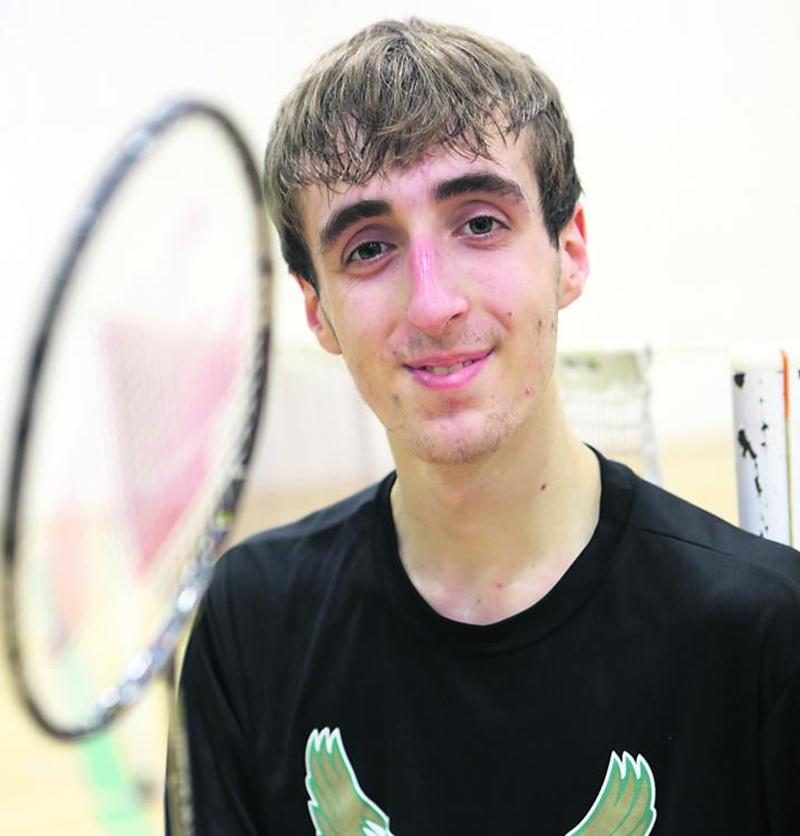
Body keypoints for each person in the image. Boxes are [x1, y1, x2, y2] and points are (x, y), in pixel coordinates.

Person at [169, 18, 800, 834]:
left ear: (569, 251)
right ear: (316, 311)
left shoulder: (764, 632)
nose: (434, 304)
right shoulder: (249, 630)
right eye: (368, 248)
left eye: (479, 223)